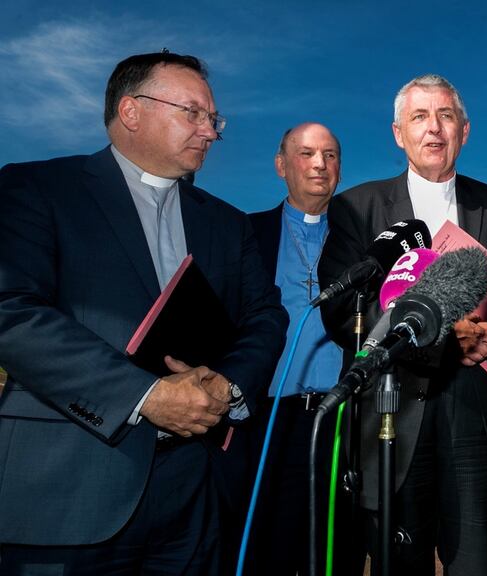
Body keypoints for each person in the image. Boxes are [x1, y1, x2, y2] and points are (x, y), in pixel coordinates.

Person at [0, 51, 287, 575]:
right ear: (131, 111)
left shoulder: (228, 224)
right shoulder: (36, 189)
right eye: (193, 113)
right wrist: (145, 396)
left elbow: (265, 318)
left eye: (213, 119)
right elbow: (12, 312)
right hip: (68, 487)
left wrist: (228, 386)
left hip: (195, 492)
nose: (210, 131)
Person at [317, 74, 487, 575]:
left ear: (465, 130)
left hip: (477, 420)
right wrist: (435, 337)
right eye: (420, 117)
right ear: (397, 133)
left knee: (479, 563)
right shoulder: (356, 208)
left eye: (446, 116)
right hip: (392, 419)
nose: (434, 129)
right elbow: (342, 311)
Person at [247, 122, 366, 575]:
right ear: (281, 165)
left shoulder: (360, 238)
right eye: (306, 153)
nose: (320, 164)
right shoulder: (248, 234)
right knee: (270, 546)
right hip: (269, 420)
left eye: (331, 155)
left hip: (342, 421)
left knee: (339, 551)